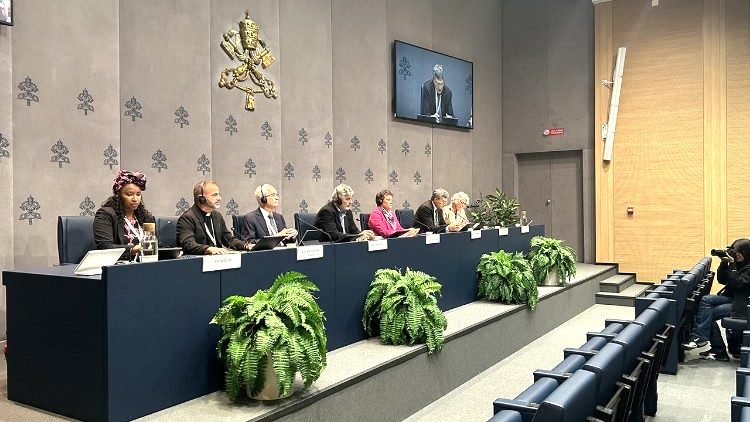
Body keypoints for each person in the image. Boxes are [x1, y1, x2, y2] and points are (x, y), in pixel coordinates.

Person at [682, 238, 750, 361]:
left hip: (743, 304)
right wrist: (724, 263)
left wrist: (732, 265)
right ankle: (704, 340)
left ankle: (716, 349)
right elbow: (722, 280)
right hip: (733, 298)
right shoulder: (739, 264)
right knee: (705, 301)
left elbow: (737, 284)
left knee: (708, 314)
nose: (736, 255)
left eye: (739, 253)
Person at [93, 170, 155, 260]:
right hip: (119, 264)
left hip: (146, 262)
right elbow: (105, 247)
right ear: (118, 195)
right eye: (129, 194)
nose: (135, 199)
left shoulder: (146, 217)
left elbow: (156, 244)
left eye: (138, 194)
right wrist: (135, 249)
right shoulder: (105, 215)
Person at [176, 180, 251, 254]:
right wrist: (208, 249)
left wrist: (246, 245)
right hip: (199, 259)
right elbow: (188, 244)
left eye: (219, 194)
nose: (219, 198)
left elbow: (228, 239)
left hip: (218, 258)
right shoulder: (187, 218)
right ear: (201, 199)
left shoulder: (217, 216)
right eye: (214, 195)